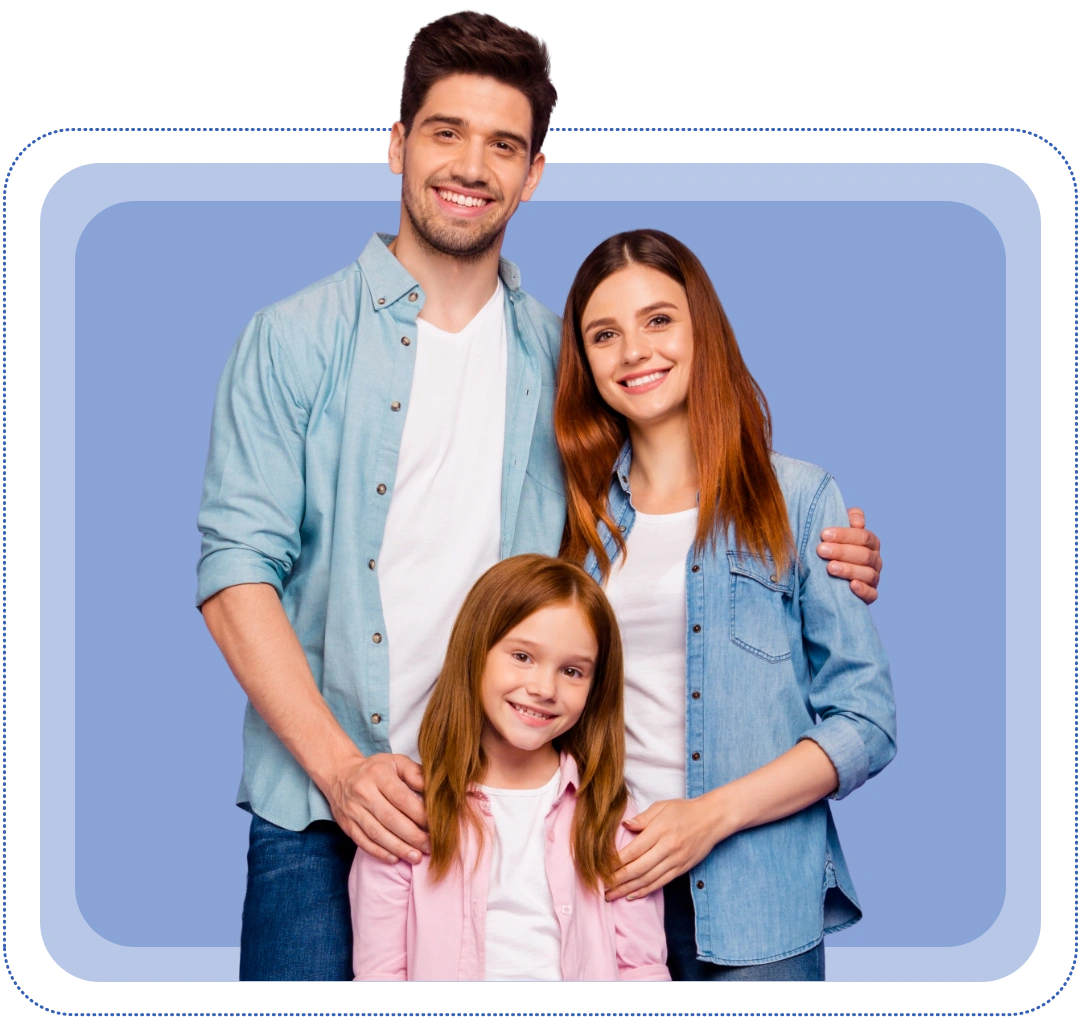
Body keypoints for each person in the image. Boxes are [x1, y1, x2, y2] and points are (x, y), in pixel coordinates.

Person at [195, 10, 883, 981]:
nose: (471, 165)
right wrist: (341, 771)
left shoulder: (561, 359)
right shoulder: (292, 337)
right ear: (395, 145)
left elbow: (675, 500)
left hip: (525, 813)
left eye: (504, 143)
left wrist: (827, 551)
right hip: (321, 801)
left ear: (534, 173)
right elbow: (234, 571)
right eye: (444, 132)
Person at [553, 229, 898, 982]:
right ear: (585, 362)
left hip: (756, 901)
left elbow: (867, 721)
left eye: (658, 320)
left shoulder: (798, 498)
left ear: (700, 327)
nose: (633, 351)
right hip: (601, 896)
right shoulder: (571, 523)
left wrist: (709, 817)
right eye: (603, 335)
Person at [349, 554, 670, 981]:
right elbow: (380, 974)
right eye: (522, 656)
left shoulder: (611, 817)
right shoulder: (407, 815)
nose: (543, 688)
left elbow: (642, 969)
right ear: (475, 650)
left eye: (572, 671)